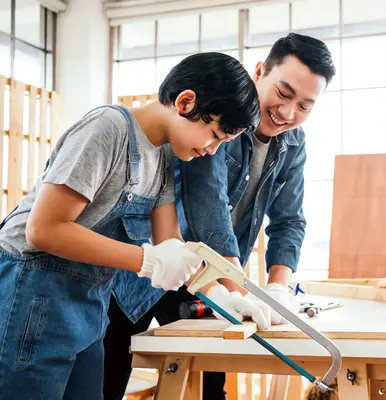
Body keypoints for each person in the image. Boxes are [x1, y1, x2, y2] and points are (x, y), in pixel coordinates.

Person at [0, 52, 261, 400]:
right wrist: (146, 261)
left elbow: (172, 246)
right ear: (185, 102)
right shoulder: (108, 128)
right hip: (32, 291)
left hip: (89, 306)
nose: (211, 151)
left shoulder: (165, 157)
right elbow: (44, 230)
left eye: (222, 145)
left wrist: (222, 297)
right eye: (213, 135)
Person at [103, 32, 336, 399]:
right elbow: (207, 204)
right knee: (108, 376)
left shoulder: (294, 144)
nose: (289, 113)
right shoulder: (219, 115)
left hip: (211, 278)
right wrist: (234, 288)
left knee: (210, 387)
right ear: (260, 72)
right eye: (284, 93)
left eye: (305, 105)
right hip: (151, 262)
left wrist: (277, 288)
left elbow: (289, 219)